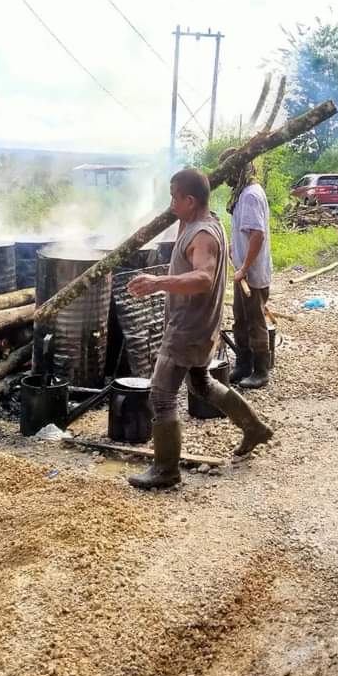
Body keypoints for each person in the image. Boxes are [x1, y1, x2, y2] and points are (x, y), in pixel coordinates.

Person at [126, 168, 273, 490]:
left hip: (187, 327)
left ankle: (166, 470)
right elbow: (188, 228)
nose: (170, 204)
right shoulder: (205, 221)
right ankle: (254, 427)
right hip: (203, 322)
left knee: (162, 394)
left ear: (190, 201)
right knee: (201, 383)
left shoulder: (202, 235)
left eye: (174, 197)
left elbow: (204, 278)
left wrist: (158, 282)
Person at [218, 148, 273, 388]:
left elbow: (257, 235)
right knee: (240, 320)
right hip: (243, 271)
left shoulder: (250, 194)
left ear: (238, 169)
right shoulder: (242, 194)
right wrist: (233, 246)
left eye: (228, 171)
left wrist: (245, 268)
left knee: (255, 321)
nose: (226, 178)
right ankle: (243, 366)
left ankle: (261, 371)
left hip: (251, 273)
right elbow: (246, 231)